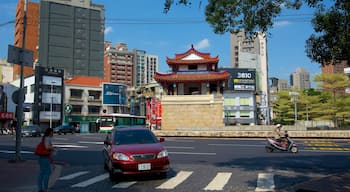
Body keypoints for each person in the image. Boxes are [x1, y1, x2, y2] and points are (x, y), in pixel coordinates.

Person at [37, 128, 54, 192]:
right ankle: (45, 188)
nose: (53, 134)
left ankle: (40, 188)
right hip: (45, 157)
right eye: (52, 132)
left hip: (42, 157)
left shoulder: (44, 138)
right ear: (50, 133)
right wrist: (52, 148)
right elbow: (47, 147)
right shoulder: (47, 138)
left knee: (42, 173)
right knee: (47, 172)